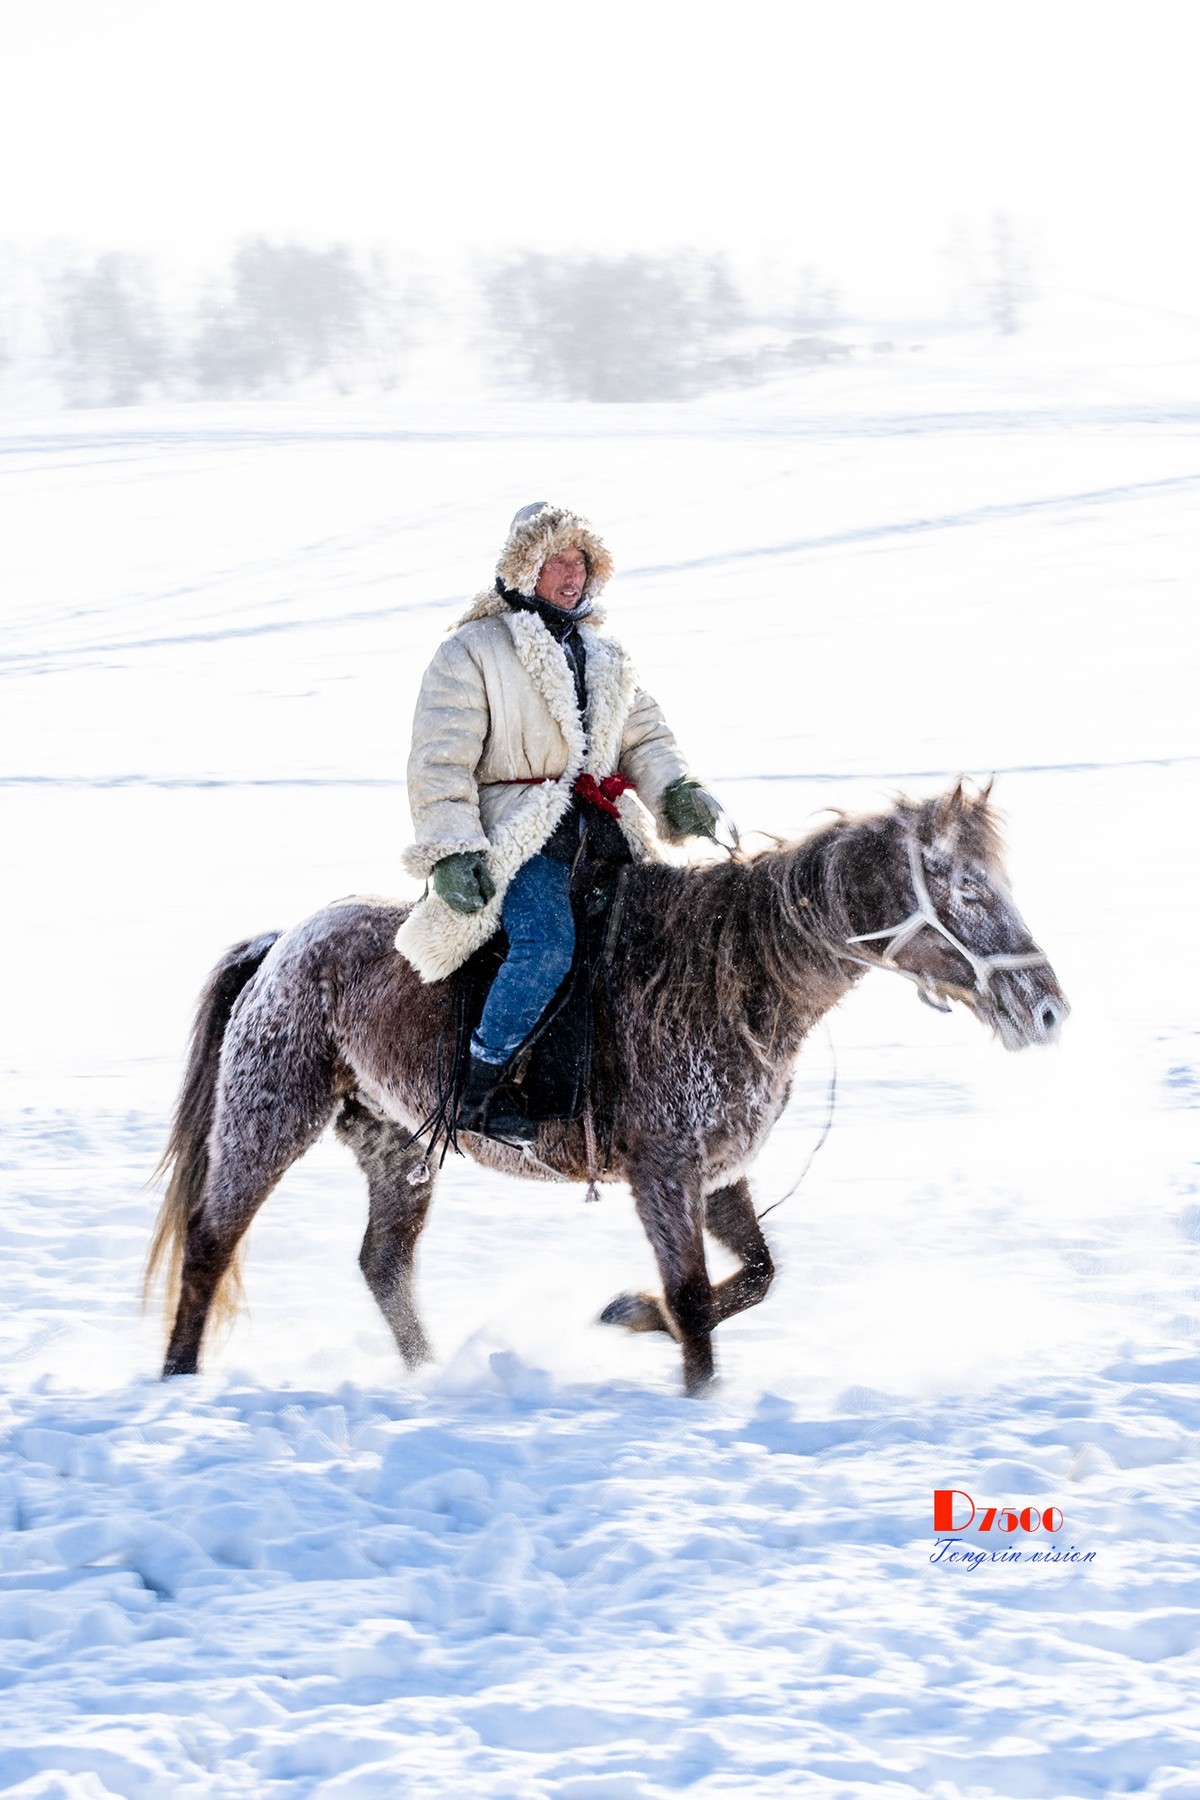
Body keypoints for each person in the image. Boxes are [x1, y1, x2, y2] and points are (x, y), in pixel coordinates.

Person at [397, 501, 722, 1142]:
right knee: (546, 946)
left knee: (660, 941)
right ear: (525, 568)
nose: (571, 575)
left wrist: (678, 789)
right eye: (556, 561)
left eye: (581, 562)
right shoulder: (473, 651)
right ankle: (481, 1087)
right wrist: (451, 849)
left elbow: (646, 736)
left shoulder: (605, 655)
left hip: (601, 829)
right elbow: (440, 759)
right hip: (518, 832)